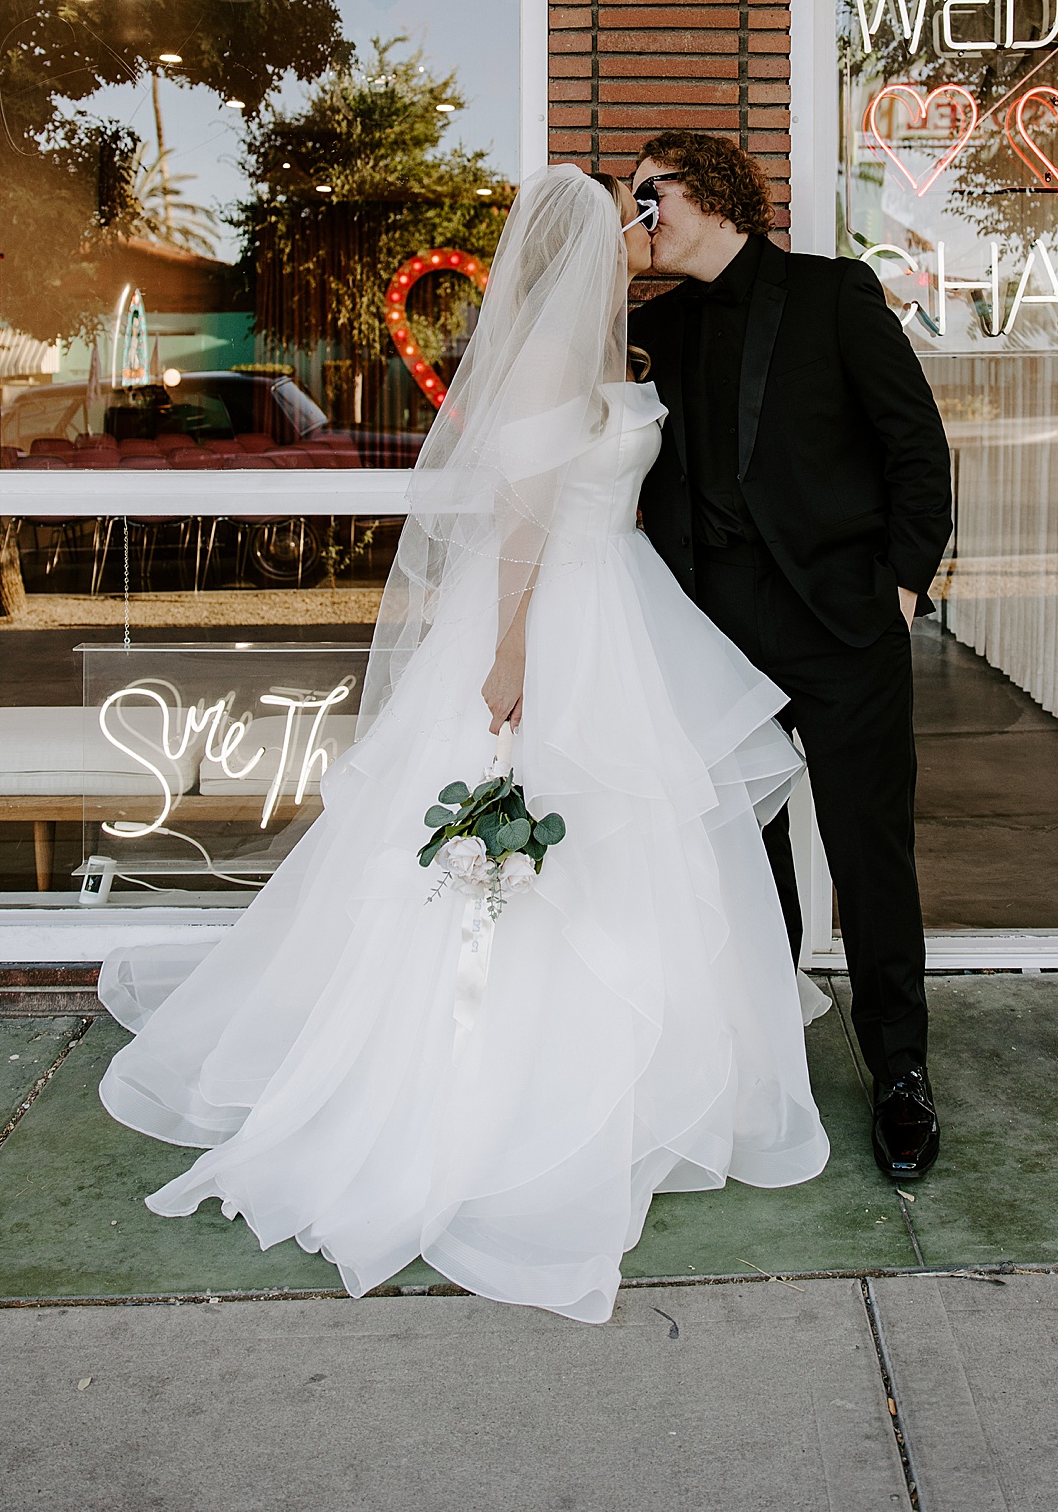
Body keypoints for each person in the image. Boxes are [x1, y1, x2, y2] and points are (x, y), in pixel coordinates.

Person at [96, 165, 828, 1324]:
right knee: (517, 843)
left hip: (620, 611)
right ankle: (491, 1081)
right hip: (546, 618)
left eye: (648, 216)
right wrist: (510, 655)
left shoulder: (615, 351)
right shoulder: (548, 359)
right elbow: (521, 522)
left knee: (629, 840)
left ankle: (633, 1074)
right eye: (622, 223)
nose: (640, 236)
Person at [627, 132, 952, 1180]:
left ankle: (902, 1070)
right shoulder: (650, 330)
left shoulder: (831, 294)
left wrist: (902, 586)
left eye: (650, 194)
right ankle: (771, 1056)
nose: (639, 214)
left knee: (869, 849)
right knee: (742, 855)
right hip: (713, 631)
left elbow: (915, 445)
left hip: (842, 622)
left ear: (712, 192)